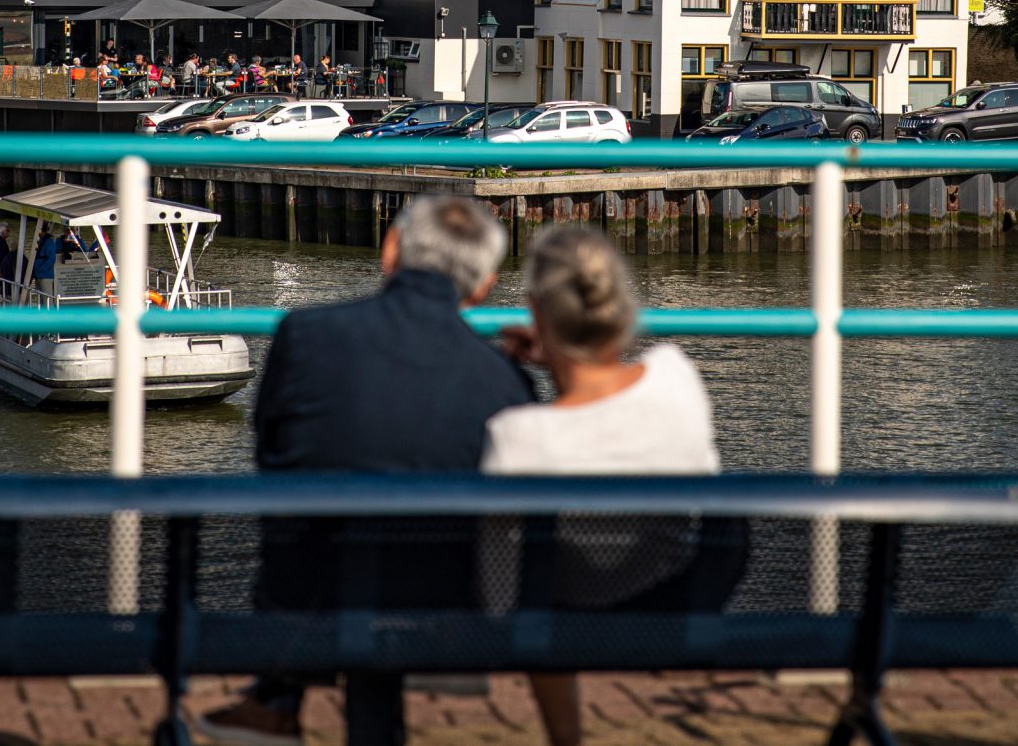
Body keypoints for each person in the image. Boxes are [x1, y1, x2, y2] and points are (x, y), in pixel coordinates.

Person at [194, 196, 530, 746]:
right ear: (483, 285)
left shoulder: (305, 334)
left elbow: (271, 454)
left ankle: (278, 697)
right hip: (441, 608)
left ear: (391, 248)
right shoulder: (503, 382)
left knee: (332, 539)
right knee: (397, 563)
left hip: (306, 593)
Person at [482, 225, 718, 746]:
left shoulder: (517, 436)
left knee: (535, 591)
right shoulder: (678, 374)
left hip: (566, 627)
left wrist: (547, 363)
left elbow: (500, 595)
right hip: (681, 604)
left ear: (537, 313)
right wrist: (561, 357)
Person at [29, 223, 63, 298]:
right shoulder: (40, 242)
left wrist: (42, 268)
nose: (35, 233)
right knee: (40, 299)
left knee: (47, 299)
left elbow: (51, 258)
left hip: (45, 276)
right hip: (38, 275)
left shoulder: (49, 242)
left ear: (41, 231)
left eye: (36, 231)